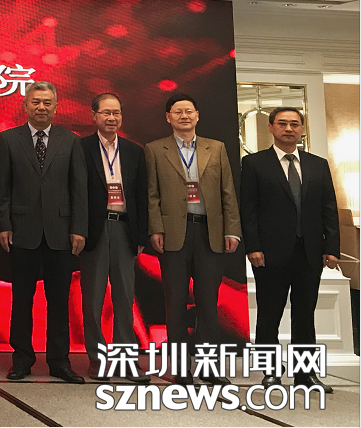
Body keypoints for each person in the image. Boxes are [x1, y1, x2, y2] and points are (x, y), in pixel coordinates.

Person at [0, 81, 87, 383]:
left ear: (56, 106)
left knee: (58, 300)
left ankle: (59, 361)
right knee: (22, 299)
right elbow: (1, 188)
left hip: (61, 231)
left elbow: (79, 189)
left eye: (47, 102)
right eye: (36, 102)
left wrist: (79, 228)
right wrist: (4, 224)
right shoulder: (8, 139)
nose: (41, 107)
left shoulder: (70, 141)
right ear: (25, 105)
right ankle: (22, 359)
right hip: (22, 231)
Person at [241, 107, 339, 393]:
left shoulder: (317, 164)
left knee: (305, 315)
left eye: (294, 124)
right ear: (271, 127)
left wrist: (332, 247)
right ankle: (270, 372)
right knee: (269, 314)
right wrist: (253, 247)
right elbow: (249, 209)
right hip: (269, 253)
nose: (289, 129)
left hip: (310, 251)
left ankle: (305, 374)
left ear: (301, 129)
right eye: (282, 123)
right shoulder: (255, 163)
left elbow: (329, 208)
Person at [145, 92, 240, 386]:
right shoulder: (155, 149)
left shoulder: (216, 148)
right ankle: (180, 368)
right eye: (178, 112)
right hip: (173, 233)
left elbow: (227, 191)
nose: (184, 116)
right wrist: (156, 229)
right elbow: (152, 194)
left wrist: (232, 229)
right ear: (168, 117)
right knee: (174, 302)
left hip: (210, 232)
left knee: (208, 302)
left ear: (197, 115)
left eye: (189, 111)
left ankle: (209, 367)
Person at [78, 93, 149, 382]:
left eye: (116, 113)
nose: (111, 118)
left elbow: (142, 195)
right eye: (106, 113)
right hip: (94, 230)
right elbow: (75, 192)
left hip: (124, 229)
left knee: (124, 298)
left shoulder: (134, 151)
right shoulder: (81, 148)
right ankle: (97, 359)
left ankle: (126, 360)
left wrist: (141, 233)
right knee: (93, 299)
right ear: (93, 115)